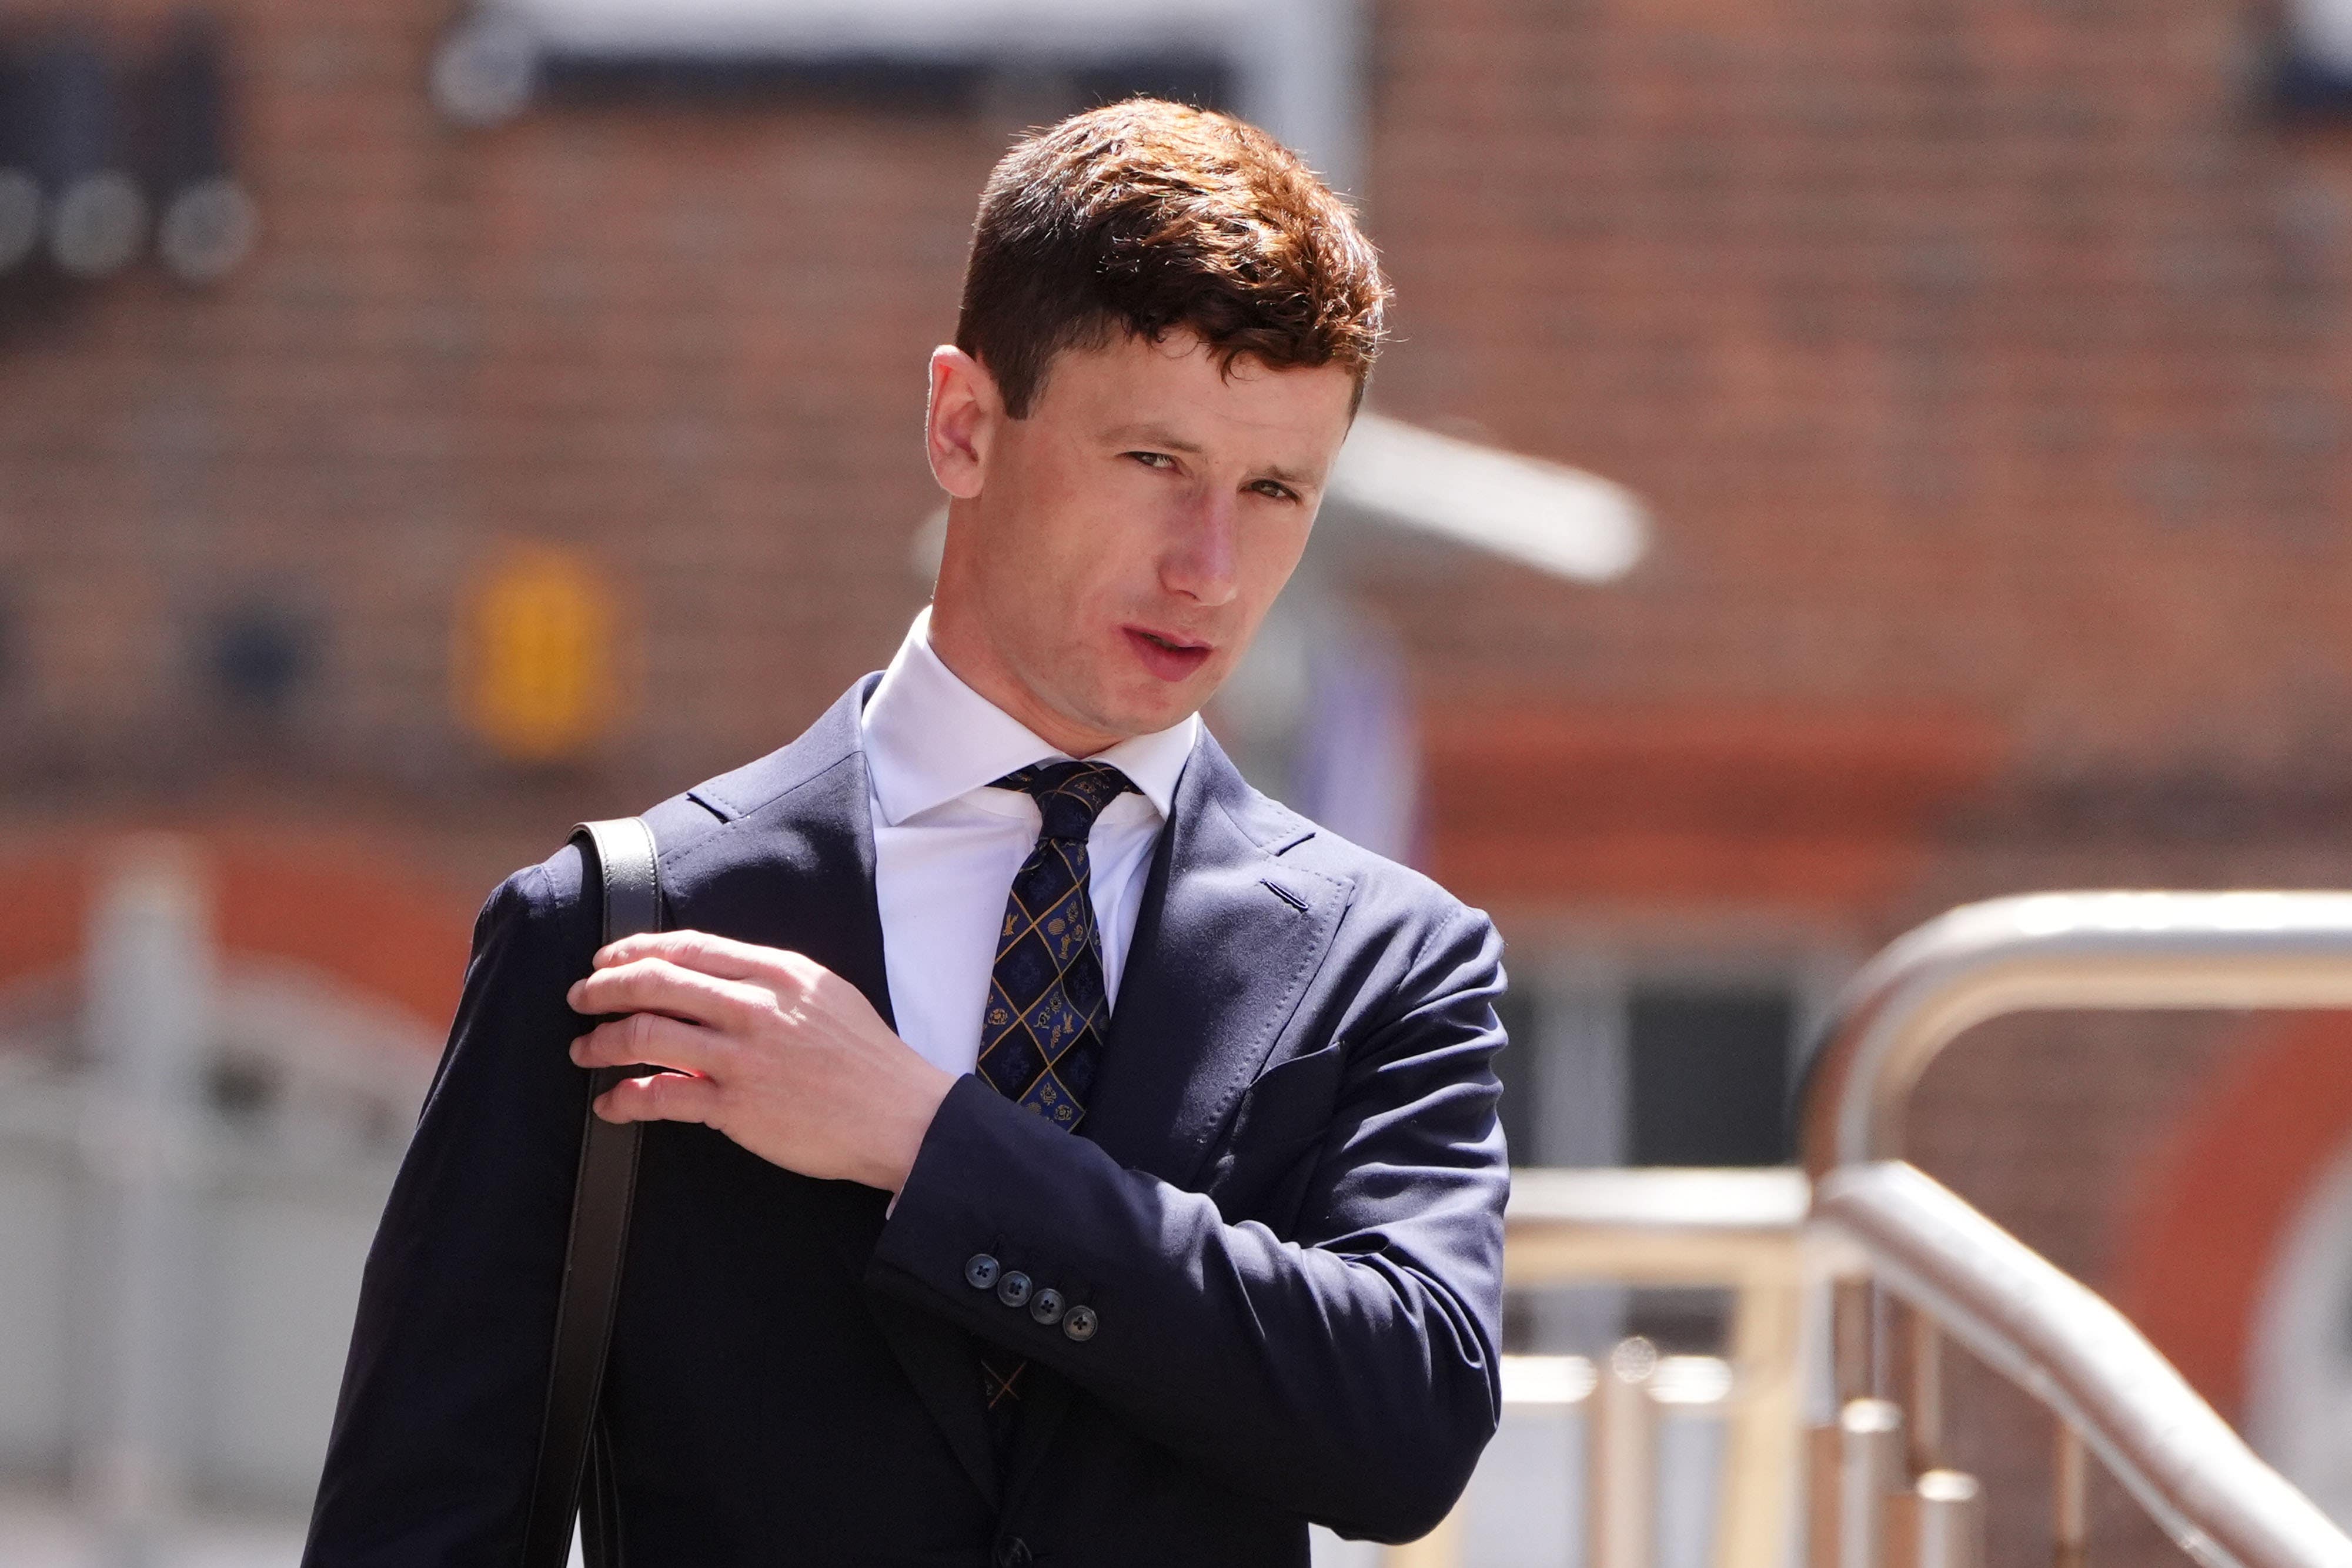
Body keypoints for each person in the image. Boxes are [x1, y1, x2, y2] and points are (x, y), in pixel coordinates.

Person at [303, 98, 1509, 1568]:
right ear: (961, 425)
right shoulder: (617, 930)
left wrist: (925, 1141)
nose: (1208, 565)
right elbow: (414, 1528)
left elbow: (1407, 1430)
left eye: (1272, 490)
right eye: (1153, 461)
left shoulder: (1386, 957)